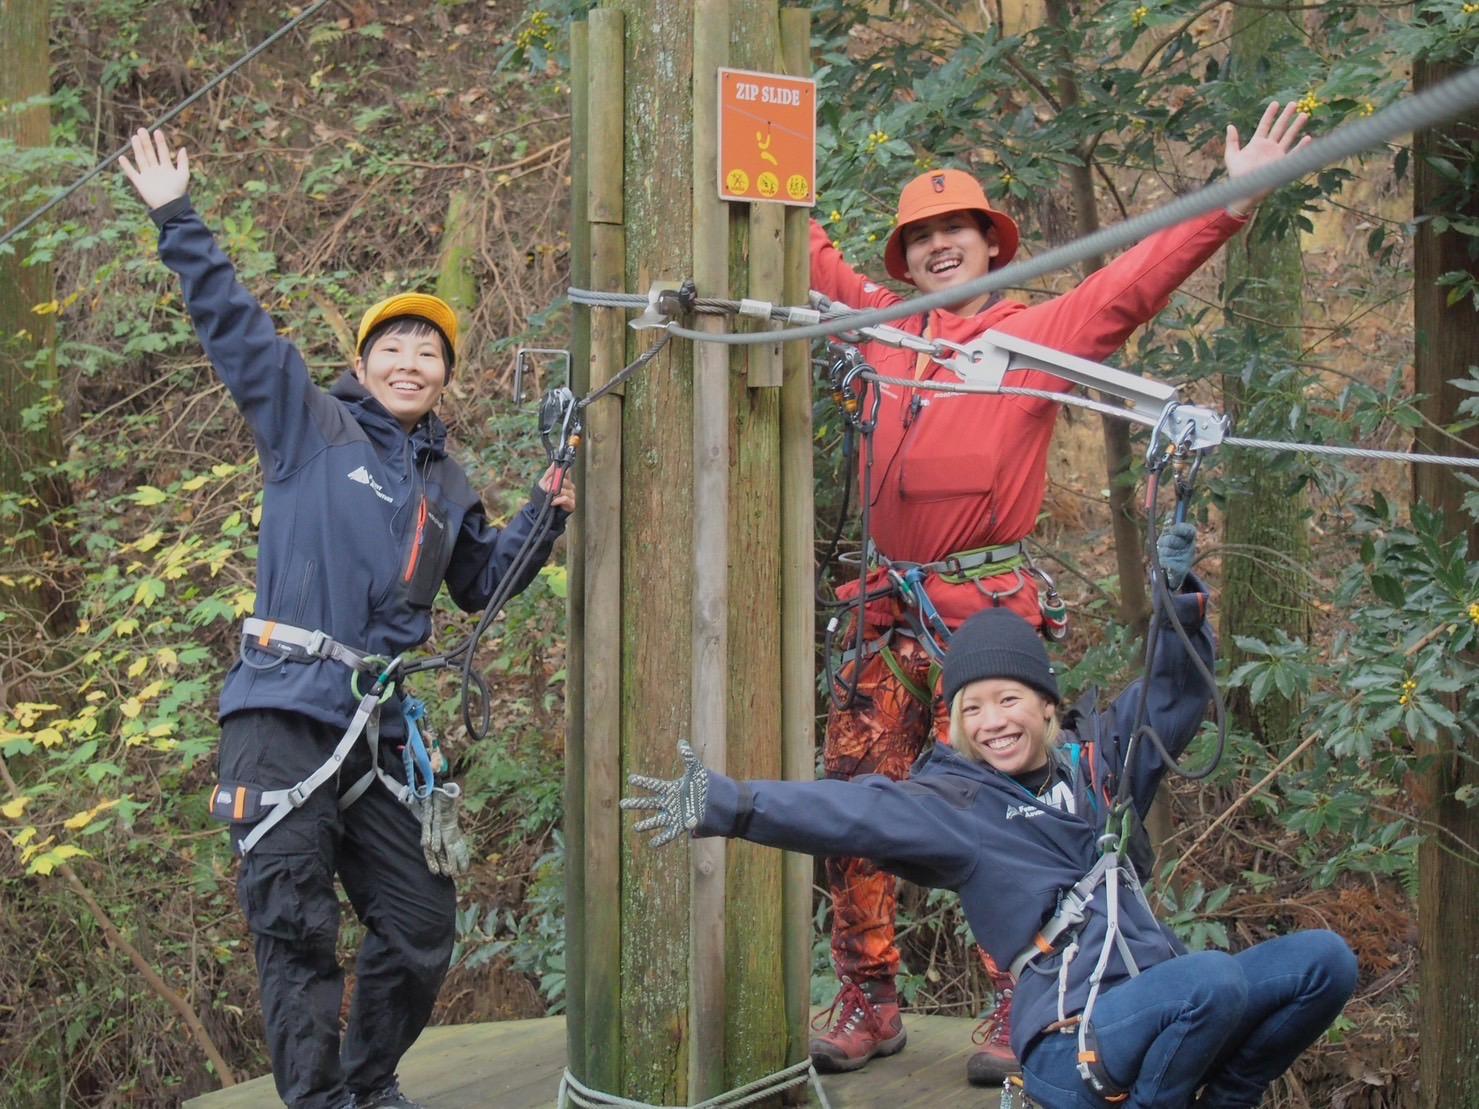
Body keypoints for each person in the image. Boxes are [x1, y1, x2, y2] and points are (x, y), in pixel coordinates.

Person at [808, 101, 1312, 1081]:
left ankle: (1020, 997)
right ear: (905, 257)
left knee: (1010, 812)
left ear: (990, 244)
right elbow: (805, 245)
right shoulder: (877, 329)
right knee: (858, 797)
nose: (941, 245)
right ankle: (869, 992)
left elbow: (1132, 282)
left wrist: (1230, 199)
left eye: (957, 230)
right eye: (923, 235)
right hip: (887, 614)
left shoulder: (1031, 339)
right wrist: (740, 137)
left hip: (985, 624)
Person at [120, 128, 575, 1109]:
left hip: (378, 732)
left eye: (430, 351)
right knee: (293, 933)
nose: (411, 361)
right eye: (393, 347)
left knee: (418, 922)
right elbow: (235, 328)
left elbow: (484, 582)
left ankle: (368, 1082)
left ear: (447, 377)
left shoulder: (446, 485)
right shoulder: (308, 427)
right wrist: (175, 216)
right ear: (363, 364)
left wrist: (551, 505)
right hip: (283, 718)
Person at [623, 526, 1357, 1109]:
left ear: (1046, 706)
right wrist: (729, 803)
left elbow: (1168, 693)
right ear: (956, 727)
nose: (991, 721)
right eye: (971, 708)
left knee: (1322, 959)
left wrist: (1176, 598)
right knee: (1211, 983)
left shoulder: (1102, 765)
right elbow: (850, 811)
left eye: (1007, 699)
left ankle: (1224, 1098)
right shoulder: (956, 805)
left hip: (1156, 1003)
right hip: (1072, 1044)